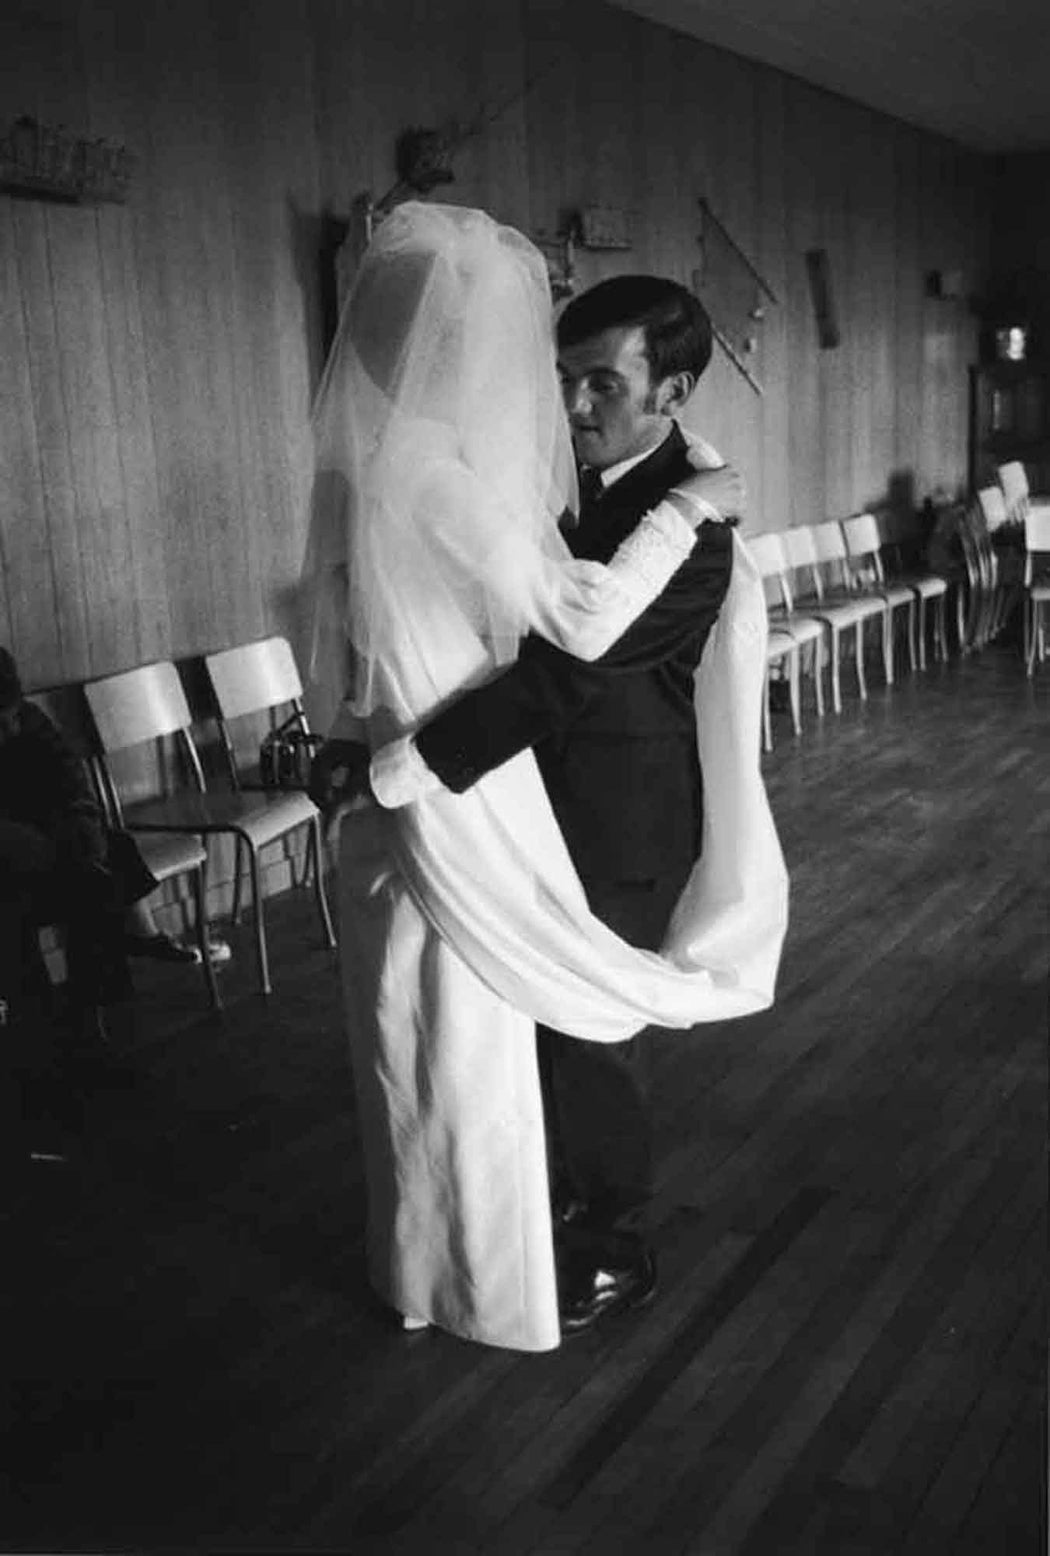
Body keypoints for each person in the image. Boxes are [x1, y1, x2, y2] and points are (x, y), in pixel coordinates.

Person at [304, 203, 787, 1351]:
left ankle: (619, 1235)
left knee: (590, 1036)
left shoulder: (696, 527)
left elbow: (564, 676)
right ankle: (553, 1204)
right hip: (523, 803)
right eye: (564, 379)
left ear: (673, 394)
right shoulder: (571, 487)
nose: (573, 409)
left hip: (619, 814)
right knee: (529, 1029)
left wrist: (395, 771)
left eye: (602, 388)